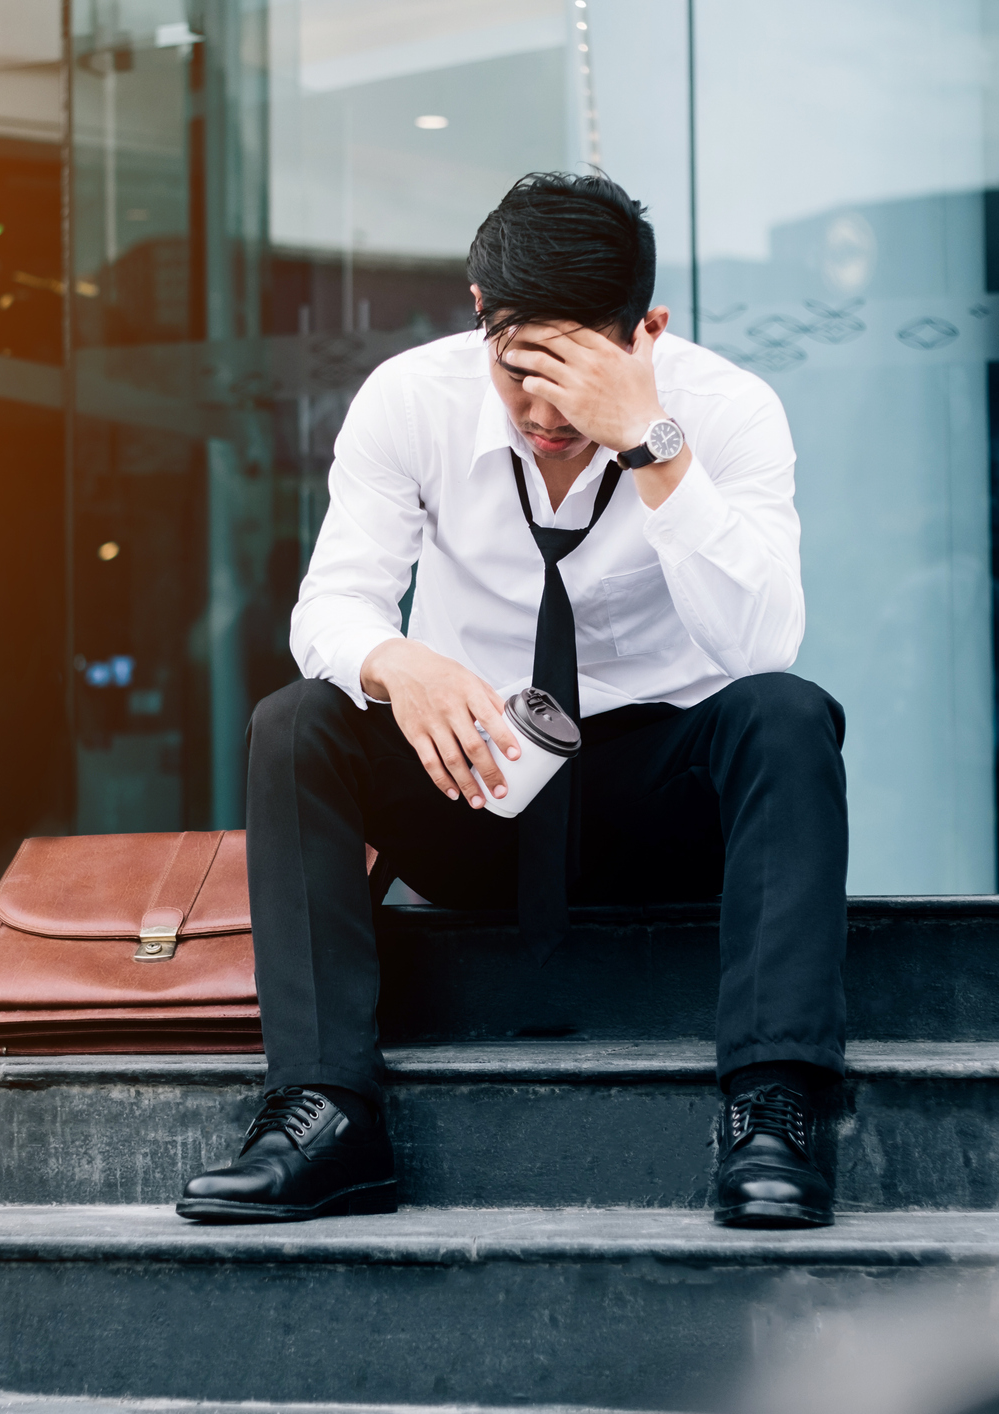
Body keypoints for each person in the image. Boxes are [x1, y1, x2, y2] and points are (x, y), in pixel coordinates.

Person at [176, 172, 848, 1229]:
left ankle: (773, 1110)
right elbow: (332, 606)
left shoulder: (728, 411)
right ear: (479, 316)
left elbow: (762, 643)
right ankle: (325, 1111)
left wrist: (651, 444)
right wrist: (403, 664)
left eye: (573, 376)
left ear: (647, 332)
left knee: (788, 714)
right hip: (481, 785)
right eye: (516, 371)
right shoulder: (411, 399)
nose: (543, 413)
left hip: (662, 806)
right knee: (298, 719)